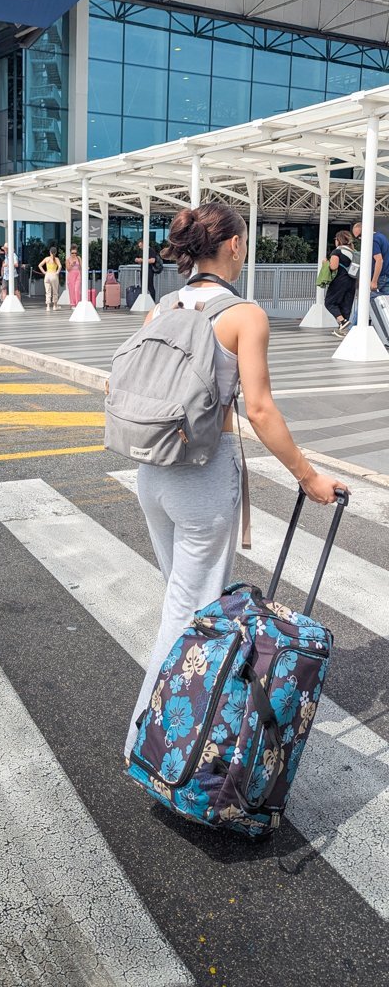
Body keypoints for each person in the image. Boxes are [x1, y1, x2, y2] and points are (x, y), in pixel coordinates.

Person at [124, 201, 348, 759]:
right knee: (188, 615)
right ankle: (150, 743)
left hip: (151, 472)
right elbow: (262, 410)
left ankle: (178, 729)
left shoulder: (162, 308)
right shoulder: (243, 315)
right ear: (235, 247)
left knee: (183, 602)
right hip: (202, 478)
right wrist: (308, 475)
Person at [324, 230, 357, 338]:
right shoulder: (354, 252)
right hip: (352, 281)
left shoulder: (337, 252)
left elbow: (333, 267)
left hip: (339, 281)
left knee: (330, 302)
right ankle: (342, 330)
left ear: (339, 240)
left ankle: (342, 322)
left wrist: (326, 263)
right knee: (346, 305)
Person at [38, 246, 62, 310]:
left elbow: (39, 265)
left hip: (47, 275)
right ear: (56, 252)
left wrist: (44, 272)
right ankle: (55, 306)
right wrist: (57, 272)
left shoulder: (47, 258)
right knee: (55, 291)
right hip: (54, 275)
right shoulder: (56, 259)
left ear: (50, 252)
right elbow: (60, 266)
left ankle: (48, 306)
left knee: (47, 291)